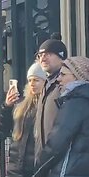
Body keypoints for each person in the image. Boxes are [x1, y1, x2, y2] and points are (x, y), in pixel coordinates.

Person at [35, 33, 68, 164]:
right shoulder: (47, 85)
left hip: (59, 162)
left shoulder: (65, 85)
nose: (43, 58)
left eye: (48, 54)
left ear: (61, 57)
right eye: (40, 55)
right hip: (46, 162)